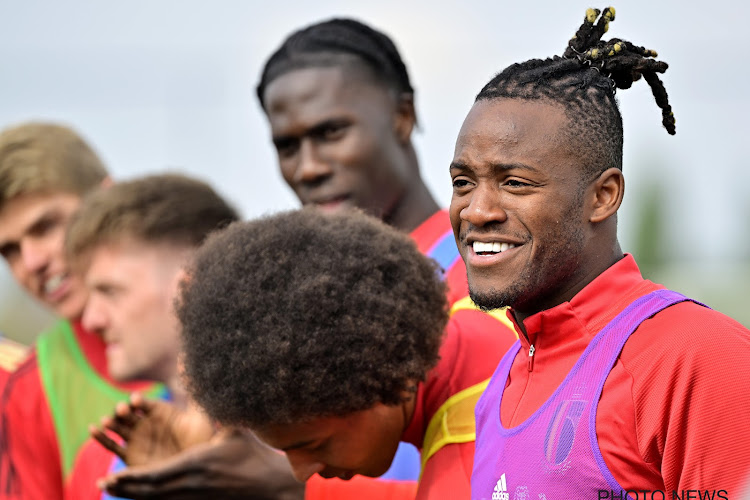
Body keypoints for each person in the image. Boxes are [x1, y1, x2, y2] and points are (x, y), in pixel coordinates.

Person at [100, 18, 517, 500]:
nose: (310, 167)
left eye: (332, 131)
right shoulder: (285, 328)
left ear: (403, 116)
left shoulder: (503, 282)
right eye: (287, 146)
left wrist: (288, 490)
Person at [446, 7, 750, 500]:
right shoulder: (501, 384)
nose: (476, 210)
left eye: (515, 183)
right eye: (463, 182)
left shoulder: (696, 358)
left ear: (603, 196)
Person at [177, 208, 513, 500]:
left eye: (315, 445)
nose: (300, 472)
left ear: (384, 371)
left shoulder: (474, 459)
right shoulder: (496, 305)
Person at [60, 173, 299, 499]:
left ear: (192, 284)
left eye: (110, 291)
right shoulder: (118, 449)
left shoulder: (331, 426)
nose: (90, 320)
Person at [0, 122, 163, 500]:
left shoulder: (224, 321)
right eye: (9, 250)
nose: (32, 261)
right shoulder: (31, 387)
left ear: (108, 201)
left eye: (46, 226)